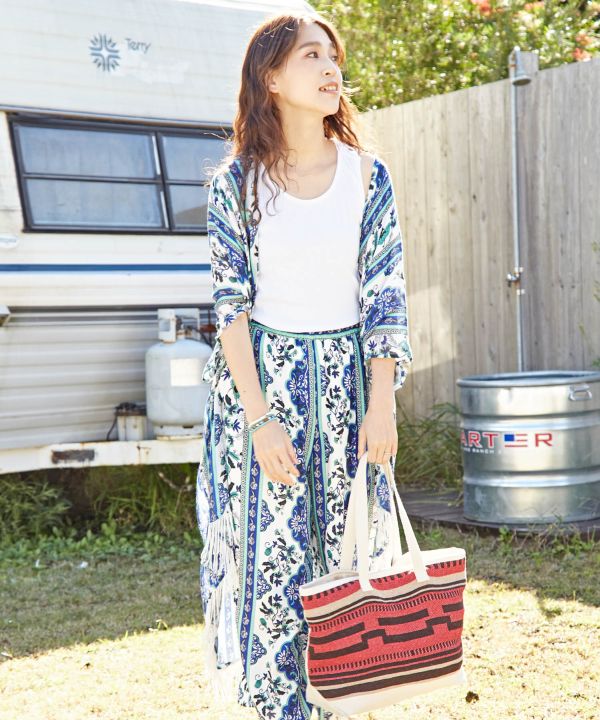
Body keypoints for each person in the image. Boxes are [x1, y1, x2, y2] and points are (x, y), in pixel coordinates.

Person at [195, 10, 414, 720]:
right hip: (266, 393)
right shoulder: (236, 184)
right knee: (273, 568)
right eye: (311, 56)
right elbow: (231, 308)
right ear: (270, 78)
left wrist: (382, 403)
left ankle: (343, 706)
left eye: (333, 55)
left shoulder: (368, 175)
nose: (330, 68)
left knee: (348, 571)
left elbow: (384, 293)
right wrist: (259, 419)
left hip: (351, 390)